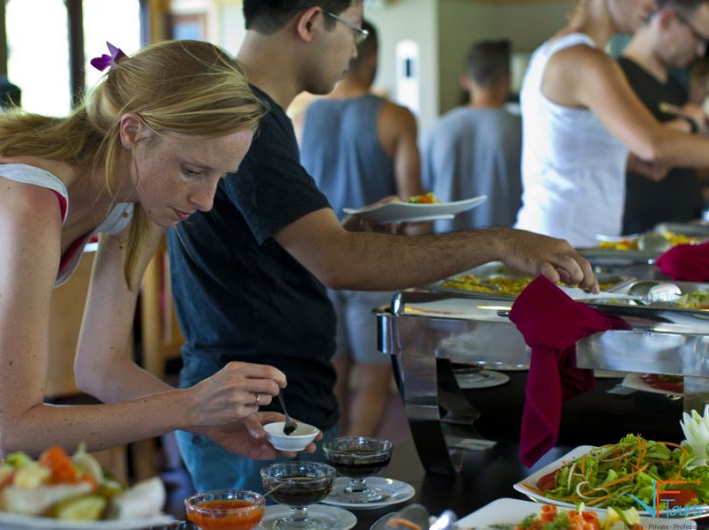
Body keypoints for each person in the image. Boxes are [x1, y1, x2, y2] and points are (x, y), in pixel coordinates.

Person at [168, 0, 597, 494]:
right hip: (252, 413)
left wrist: (349, 226)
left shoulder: (257, 112)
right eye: (355, 30)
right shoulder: (250, 118)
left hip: (262, 396)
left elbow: (264, 245)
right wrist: (499, 241)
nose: (356, 47)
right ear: (309, 23)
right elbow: (337, 261)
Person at [0, 39, 313, 463]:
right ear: (132, 131)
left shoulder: (137, 197)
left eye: (220, 178)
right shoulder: (30, 204)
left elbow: (101, 366)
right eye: (193, 170)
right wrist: (190, 405)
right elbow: (17, 428)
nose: (206, 200)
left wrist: (209, 420)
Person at [293, 20, 422, 438]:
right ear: (373, 58)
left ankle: (329, 465)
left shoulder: (301, 118)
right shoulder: (396, 117)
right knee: (372, 377)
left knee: (331, 375)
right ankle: (352, 473)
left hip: (316, 261)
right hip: (373, 268)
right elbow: (413, 206)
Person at [514, 0, 709, 248]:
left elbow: (574, 148)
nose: (651, 5)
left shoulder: (558, 50)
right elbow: (655, 144)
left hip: (565, 238)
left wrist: (624, 161)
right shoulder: (585, 58)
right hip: (562, 241)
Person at [619, 0, 709, 234]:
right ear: (666, 21)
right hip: (638, 236)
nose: (700, 50)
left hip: (684, 227)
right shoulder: (617, 79)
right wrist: (687, 123)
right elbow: (641, 150)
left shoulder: (676, 87)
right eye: (698, 37)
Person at [421, 39, 522, 232]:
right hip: (509, 250)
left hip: (447, 249)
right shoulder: (524, 129)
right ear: (508, 78)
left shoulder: (438, 129)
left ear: (465, 80)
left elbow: (424, 194)